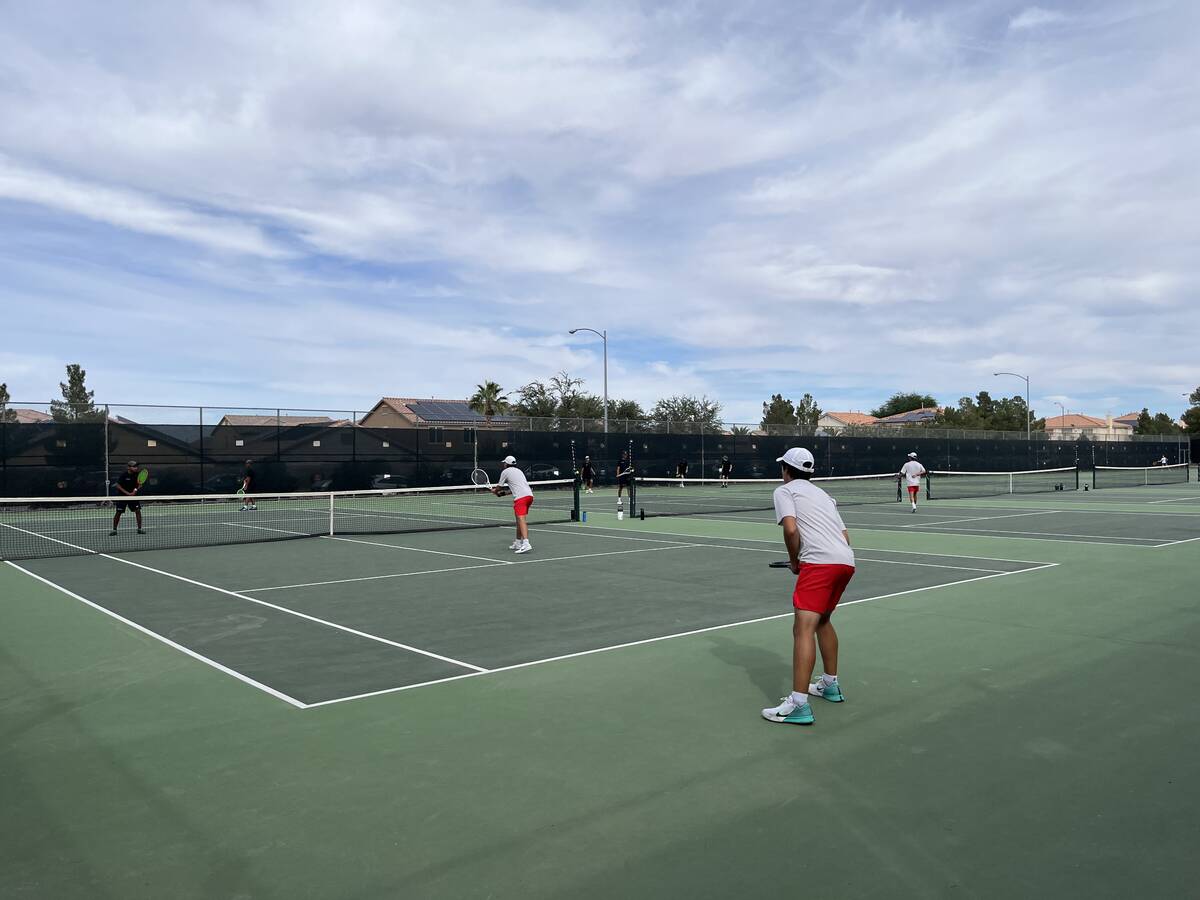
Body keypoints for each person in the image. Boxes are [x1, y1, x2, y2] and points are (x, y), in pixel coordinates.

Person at [762, 447, 855, 726]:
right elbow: (845, 536)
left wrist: (795, 560)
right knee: (823, 621)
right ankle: (830, 685)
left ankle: (798, 705)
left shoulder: (785, 491)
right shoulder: (825, 496)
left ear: (786, 470)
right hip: (845, 562)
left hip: (819, 565)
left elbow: (791, 529)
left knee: (802, 629)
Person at [493, 455, 535, 554]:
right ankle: (517, 542)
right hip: (529, 496)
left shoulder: (505, 472)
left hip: (521, 498)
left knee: (521, 520)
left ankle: (526, 543)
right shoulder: (519, 471)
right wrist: (501, 494)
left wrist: (495, 490)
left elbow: (499, 487)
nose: (503, 464)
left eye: (504, 463)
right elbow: (514, 489)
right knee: (519, 520)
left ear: (506, 464)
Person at [110, 460, 146, 536]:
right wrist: (128, 494)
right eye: (134, 466)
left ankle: (139, 529)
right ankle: (114, 530)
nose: (136, 468)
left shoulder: (137, 475)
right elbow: (117, 485)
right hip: (122, 497)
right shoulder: (123, 475)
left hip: (133, 497)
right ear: (129, 467)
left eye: (136, 466)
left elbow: (139, 485)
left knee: (138, 511)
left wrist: (135, 490)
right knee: (118, 512)